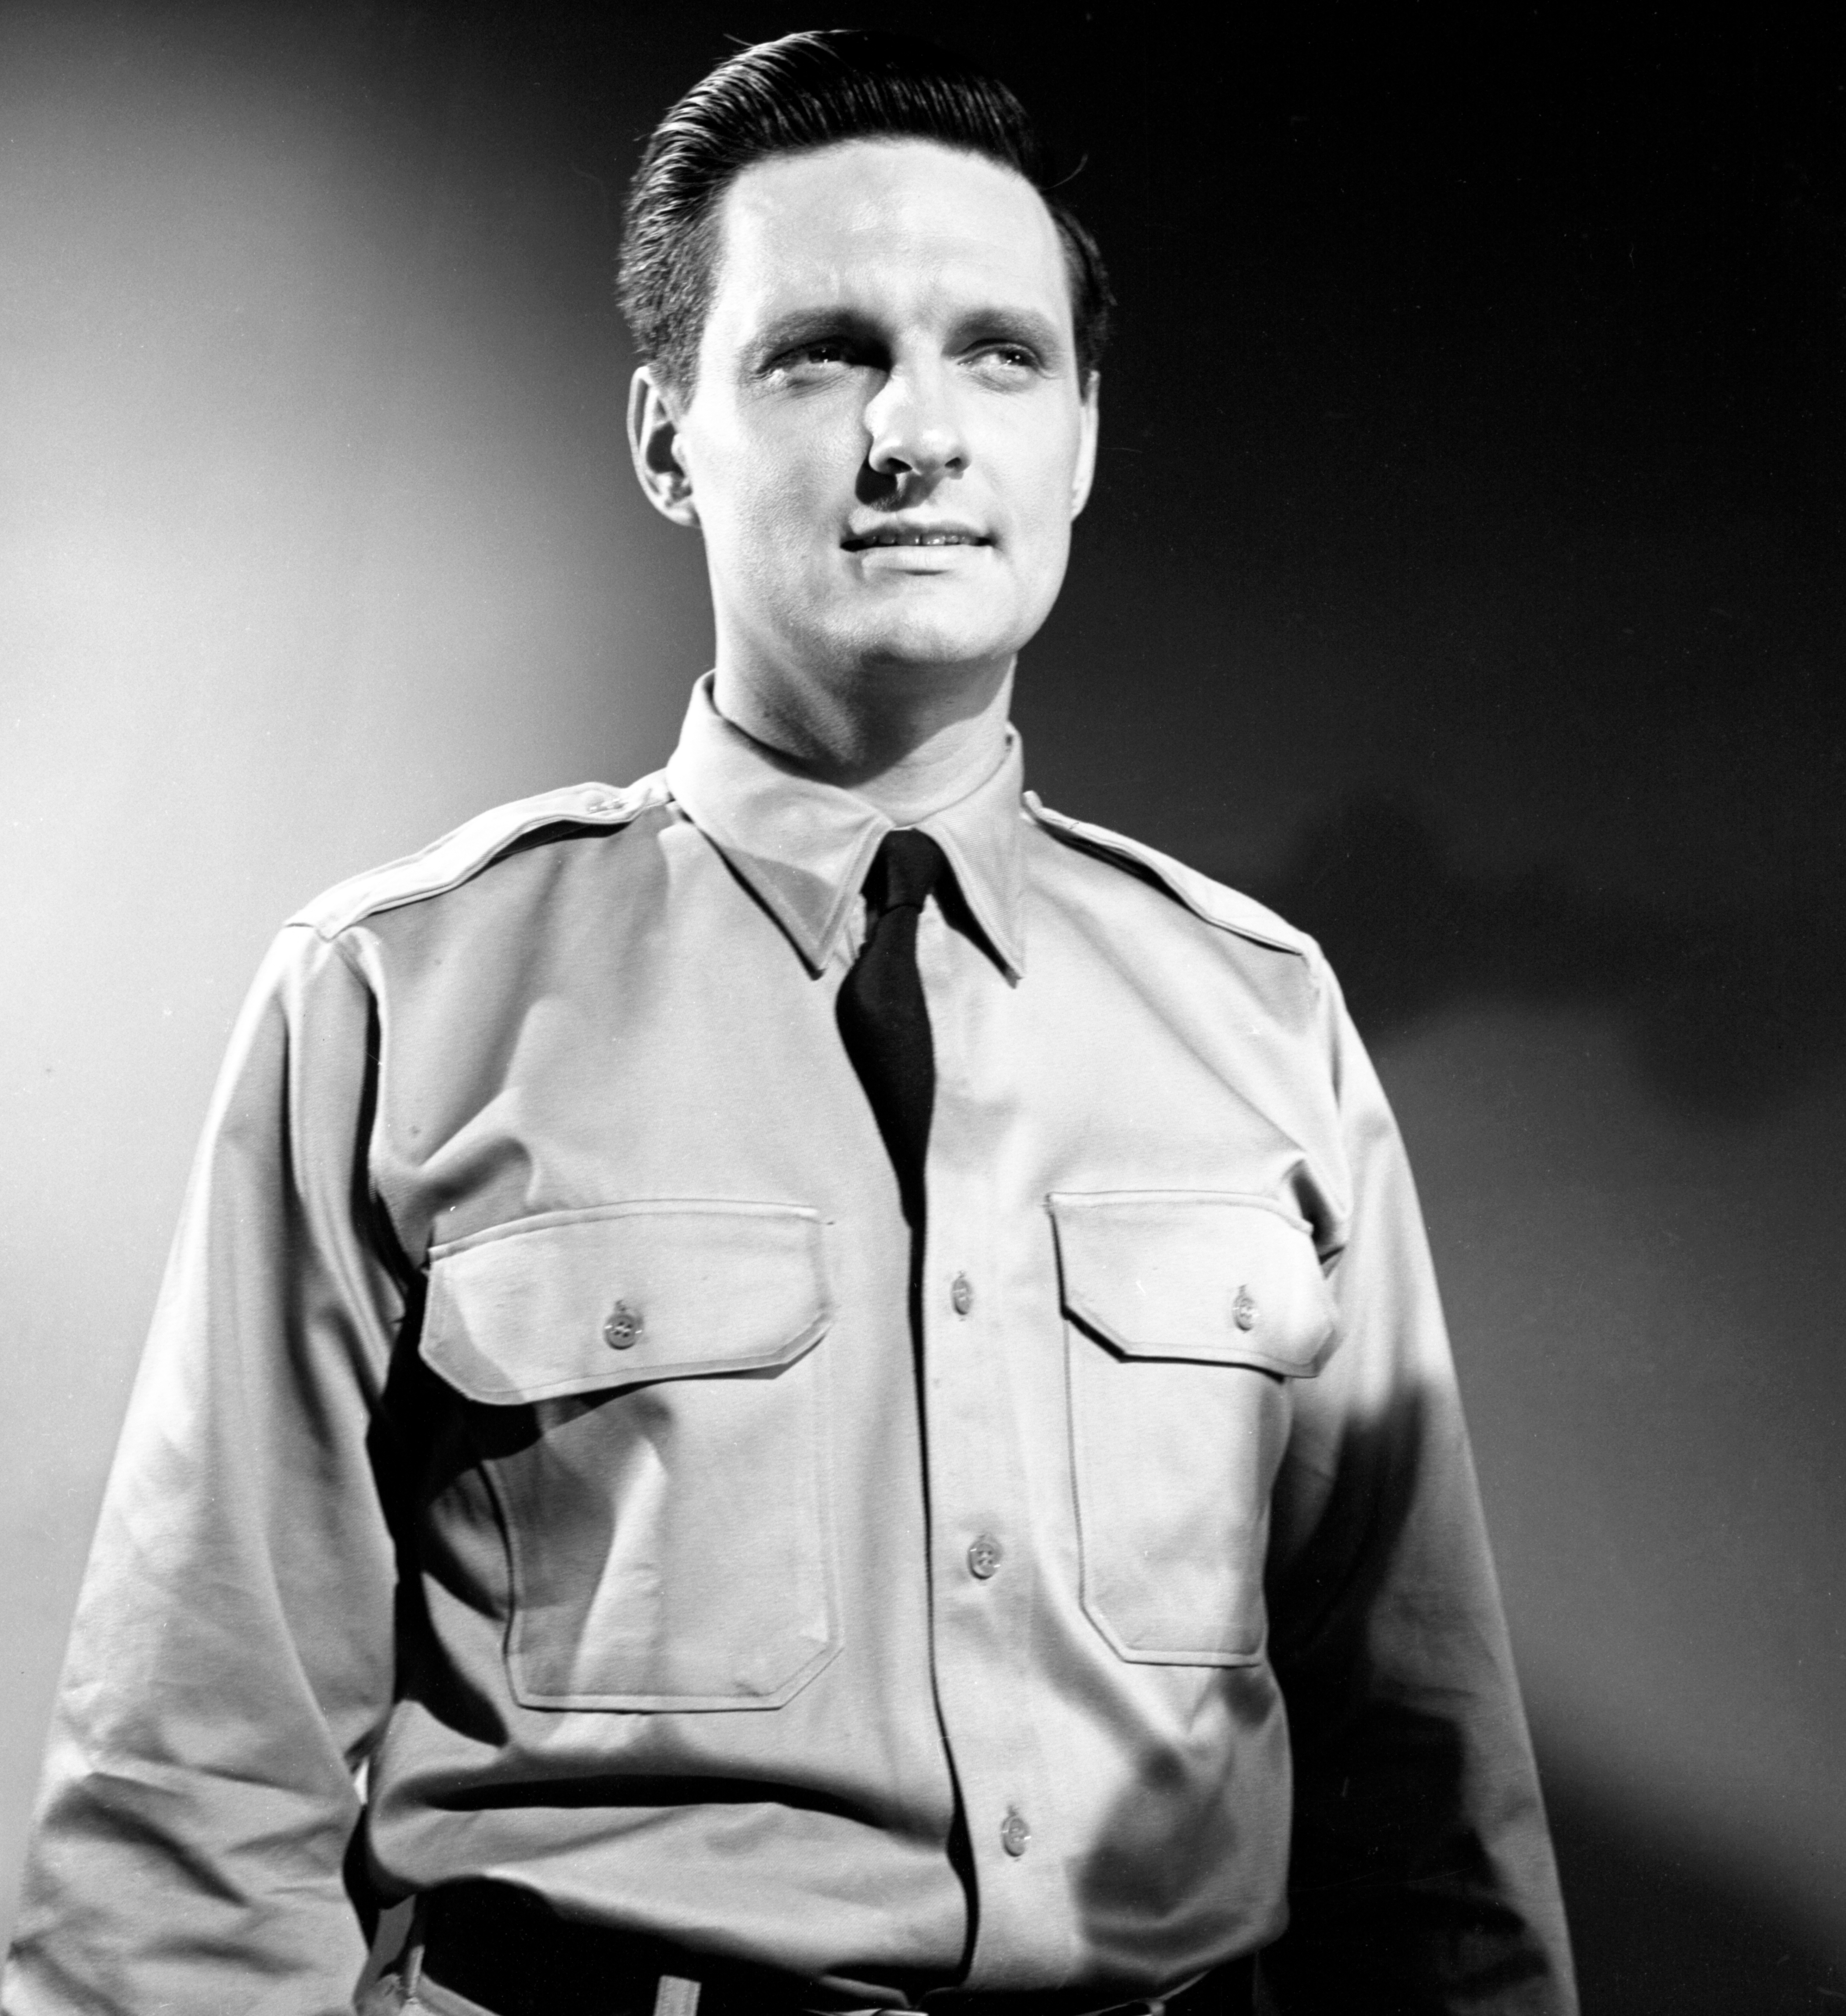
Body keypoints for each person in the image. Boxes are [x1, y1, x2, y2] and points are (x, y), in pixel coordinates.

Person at [3, 28, 1576, 2016]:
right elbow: (184, 1816)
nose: (918, 430)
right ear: (669, 436)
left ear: (1081, 440)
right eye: (823, 351)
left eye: (999, 354)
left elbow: (1431, 1815)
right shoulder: (401, 997)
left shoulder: (1263, 1019)